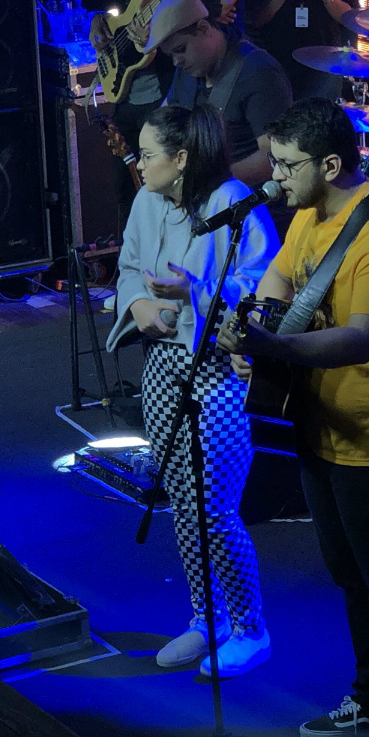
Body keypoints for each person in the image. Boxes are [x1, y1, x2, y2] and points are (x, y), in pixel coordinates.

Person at [218, 98, 369, 737]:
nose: (273, 178)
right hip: (323, 424)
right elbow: (281, 279)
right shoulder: (310, 215)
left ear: (329, 164)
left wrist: (272, 343)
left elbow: (360, 340)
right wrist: (253, 327)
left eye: (285, 166)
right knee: (351, 575)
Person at [105, 103, 280, 677]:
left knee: (216, 507)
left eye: (148, 153)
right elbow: (129, 266)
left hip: (218, 374)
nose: (138, 161)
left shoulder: (234, 204)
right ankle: (208, 617)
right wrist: (139, 304)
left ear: (180, 159)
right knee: (182, 500)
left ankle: (251, 628)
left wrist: (193, 293)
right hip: (163, 368)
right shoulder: (146, 200)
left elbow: (262, 292)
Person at [89, 0, 234, 228]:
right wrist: (99, 20)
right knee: (125, 191)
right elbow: (110, 9)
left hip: (166, 92)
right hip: (125, 90)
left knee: (169, 187)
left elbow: (213, 12)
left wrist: (160, 30)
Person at [146, 0, 293, 189]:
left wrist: (206, 179)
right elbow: (164, 117)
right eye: (170, 55)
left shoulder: (259, 72)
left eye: (180, 50)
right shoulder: (189, 68)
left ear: (204, 28)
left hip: (247, 203)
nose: (176, 61)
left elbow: (273, 157)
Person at [244, 0, 356, 102]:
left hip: (324, 62)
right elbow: (255, 19)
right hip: (276, 59)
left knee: (319, 117)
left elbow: (350, 17)